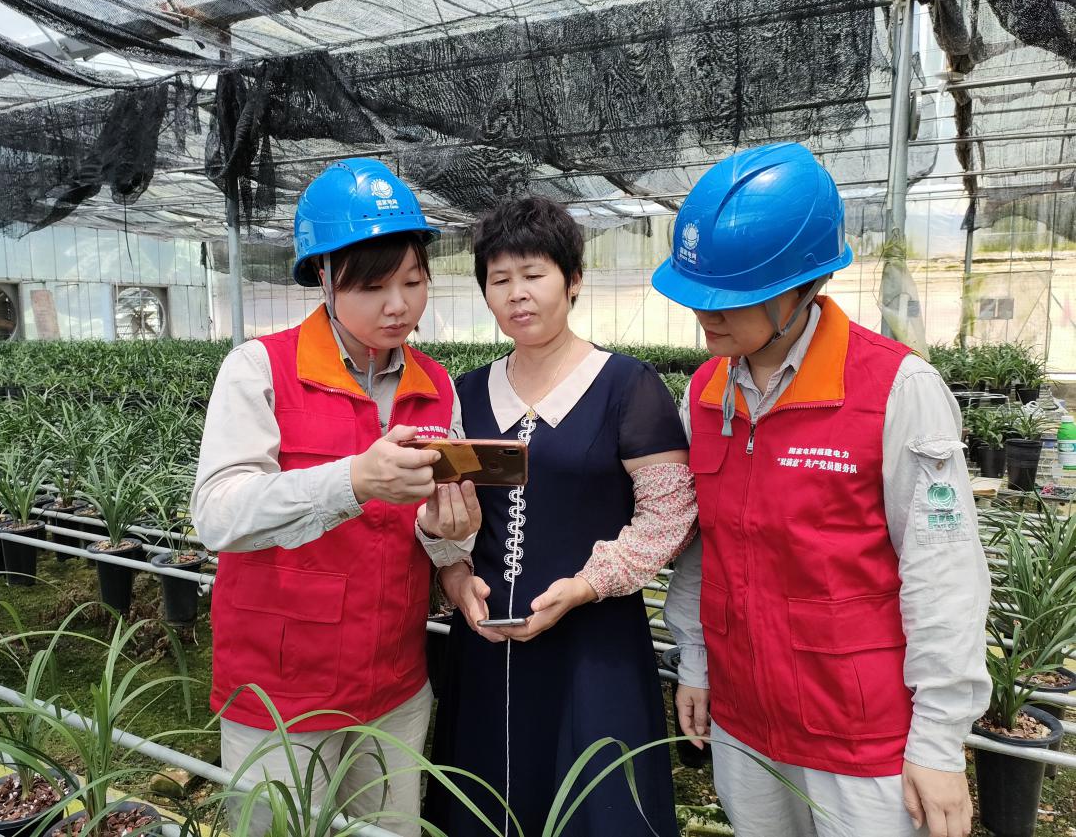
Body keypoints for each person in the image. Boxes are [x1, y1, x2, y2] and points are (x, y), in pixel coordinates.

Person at [655, 143, 991, 837]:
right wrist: (696, 663)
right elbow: (700, 550)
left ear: (804, 286)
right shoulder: (705, 394)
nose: (705, 313)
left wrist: (937, 740)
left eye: (732, 296)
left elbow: (943, 572)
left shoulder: (894, 390)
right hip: (745, 719)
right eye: (696, 293)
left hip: (859, 734)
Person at [191, 158, 480, 837]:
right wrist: (351, 480)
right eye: (372, 286)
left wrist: (451, 541)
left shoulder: (436, 385)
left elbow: (434, 524)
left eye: (413, 281)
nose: (398, 305)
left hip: (394, 680)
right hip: (281, 688)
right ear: (323, 277)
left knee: (389, 829)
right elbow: (218, 513)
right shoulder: (260, 370)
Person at [423, 197, 698, 836]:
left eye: (534, 274)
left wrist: (586, 585)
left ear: (573, 280)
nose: (517, 293)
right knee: (485, 799)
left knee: (596, 802)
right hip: (485, 641)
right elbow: (441, 508)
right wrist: (455, 576)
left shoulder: (627, 387)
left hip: (593, 644)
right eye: (499, 279)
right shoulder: (465, 394)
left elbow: (670, 513)